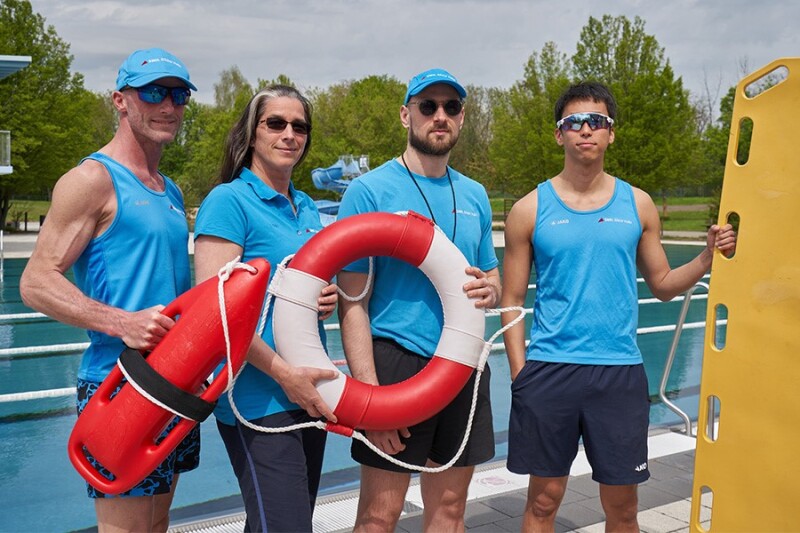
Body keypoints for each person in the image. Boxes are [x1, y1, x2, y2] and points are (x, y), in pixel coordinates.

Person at [500, 81, 737, 532]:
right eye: (574, 122)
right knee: (543, 503)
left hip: (619, 372)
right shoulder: (529, 209)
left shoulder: (639, 204)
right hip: (551, 370)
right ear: (559, 134)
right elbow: (511, 302)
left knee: (623, 508)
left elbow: (664, 286)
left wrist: (707, 257)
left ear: (611, 133)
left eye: (597, 121)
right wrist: (520, 374)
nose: (585, 130)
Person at [19, 48, 200, 532]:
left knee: (158, 524)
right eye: (153, 92)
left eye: (179, 95)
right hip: (119, 383)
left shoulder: (169, 188)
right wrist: (122, 322)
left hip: (173, 385)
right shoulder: (91, 180)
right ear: (120, 100)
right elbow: (35, 281)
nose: (168, 105)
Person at [337, 68, 502, 532]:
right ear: (406, 115)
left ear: (462, 118)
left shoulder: (474, 194)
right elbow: (353, 303)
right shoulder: (368, 191)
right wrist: (369, 398)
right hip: (397, 361)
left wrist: (491, 287)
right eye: (428, 106)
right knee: (379, 514)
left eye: (450, 107)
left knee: (449, 511)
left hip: (464, 361)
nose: (440, 116)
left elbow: (489, 272)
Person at [192, 84, 340, 532]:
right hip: (258, 397)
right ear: (252, 134)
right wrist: (283, 374)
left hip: (306, 387)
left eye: (300, 126)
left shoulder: (309, 207)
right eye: (276, 123)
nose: (289, 134)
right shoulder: (229, 201)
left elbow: (299, 290)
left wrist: (324, 300)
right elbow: (211, 310)